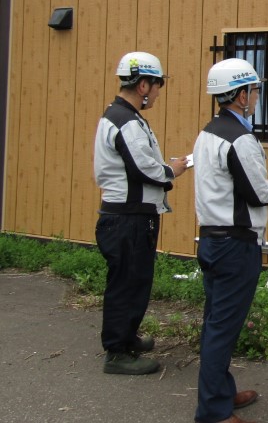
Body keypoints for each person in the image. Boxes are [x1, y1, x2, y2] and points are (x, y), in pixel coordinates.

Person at [194, 58, 268, 423]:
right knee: (222, 329)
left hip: (213, 239)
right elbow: (259, 194)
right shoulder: (240, 139)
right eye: (255, 90)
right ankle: (214, 412)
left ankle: (221, 393)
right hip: (235, 245)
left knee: (216, 323)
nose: (257, 96)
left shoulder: (209, 132)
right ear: (241, 95)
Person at [94, 51, 189, 375]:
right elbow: (143, 168)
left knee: (134, 280)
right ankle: (117, 353)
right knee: (127, 283)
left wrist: (166, 168)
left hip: (129, 216)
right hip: (128, 217)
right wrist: (172, 170)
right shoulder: (126, 121)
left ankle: (126, 337)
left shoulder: (121, 116)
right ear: (144, 85)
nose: (159, 92)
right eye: (158, 84)